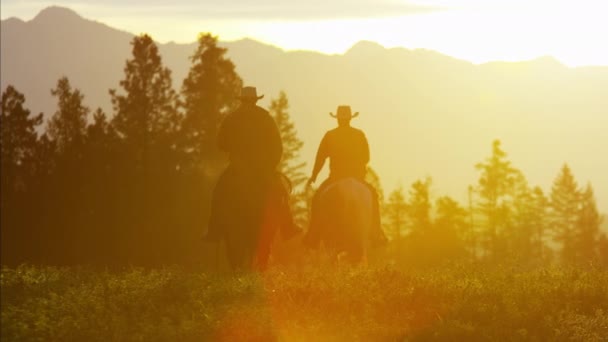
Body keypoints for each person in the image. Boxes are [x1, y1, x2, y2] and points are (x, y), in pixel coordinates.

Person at [205, 86, 299, 270]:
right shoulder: (265, 117)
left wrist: (235, 149)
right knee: (281, 193)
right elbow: (277, 145)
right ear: (256, 100)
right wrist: (271, 165)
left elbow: (220, 143)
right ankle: (288, 227)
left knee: (219, 192)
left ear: (241, 100)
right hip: (262, 169)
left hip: (237, 168)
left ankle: (213, 229)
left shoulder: (231, 118)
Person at [306, 105, 385, 247]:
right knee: (373, 196)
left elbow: (320, 158)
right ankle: (377, 232)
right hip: (357, 176)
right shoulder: (359, 134)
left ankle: (313, 236)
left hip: (336, 176)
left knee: (318, 198)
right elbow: (367, 157)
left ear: (337, 119)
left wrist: (314, 175)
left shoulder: (330, 135)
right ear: (350, 119)